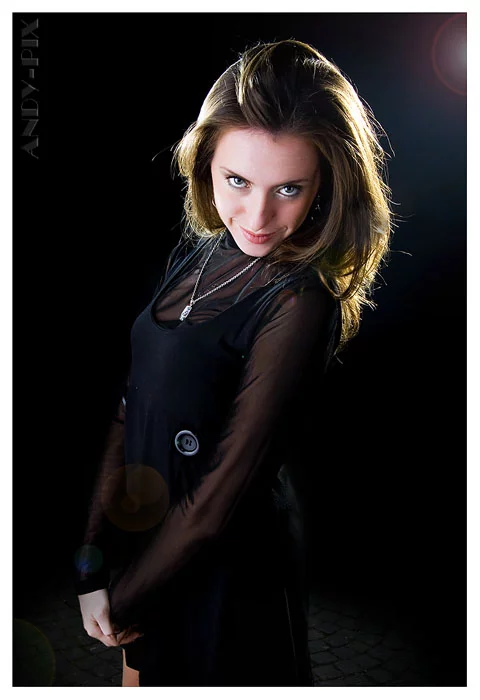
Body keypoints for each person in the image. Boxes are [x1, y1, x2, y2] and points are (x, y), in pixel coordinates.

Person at [73, 38, 392, 687]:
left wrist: (121, 601)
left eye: (289, 188)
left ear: (325, 185)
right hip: (154, 544)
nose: (257, 216)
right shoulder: (204, 255)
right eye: (237, 181)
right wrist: (91, 564)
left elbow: (220, 500)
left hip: (228, 572)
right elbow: (131, 407)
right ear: (206, 162)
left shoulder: (301, 303)